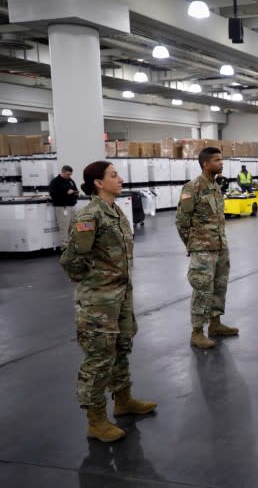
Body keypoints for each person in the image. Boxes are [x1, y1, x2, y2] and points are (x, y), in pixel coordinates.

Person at [60, 161, 156, 443]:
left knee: (121, 348)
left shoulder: (115, 211)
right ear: (99, 183)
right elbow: (71, 260)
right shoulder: (89, 216)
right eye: (113, 176)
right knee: (99, 358)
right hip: (99, 302)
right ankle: (96, 420)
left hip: (121, 296)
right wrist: (94, 284)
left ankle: (123, 400)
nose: (120, 179)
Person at [176, 147, 239, 349]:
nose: (221, 163)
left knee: (219, 287)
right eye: (217, 160)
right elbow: (182, 222)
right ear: (206, 164)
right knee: (202, 289)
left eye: (222, 160)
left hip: (220, 246)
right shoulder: (192, 188)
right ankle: (197, 332)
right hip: (202, 249)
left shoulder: (215, 186)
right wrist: (192, 245)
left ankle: (215, 324)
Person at [49, 165, 80, 248]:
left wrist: (76, 193)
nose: (69, 176)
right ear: (62, 172)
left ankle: (74, 246)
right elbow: (53, 195)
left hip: (72, 206)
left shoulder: (70, 181)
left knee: (74, 226)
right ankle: (64, 247)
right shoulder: (55, 182)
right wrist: (66, 193)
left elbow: (75, 190)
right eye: (67, 174)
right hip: (62, 207)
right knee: (64, 227)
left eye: (70, 174)